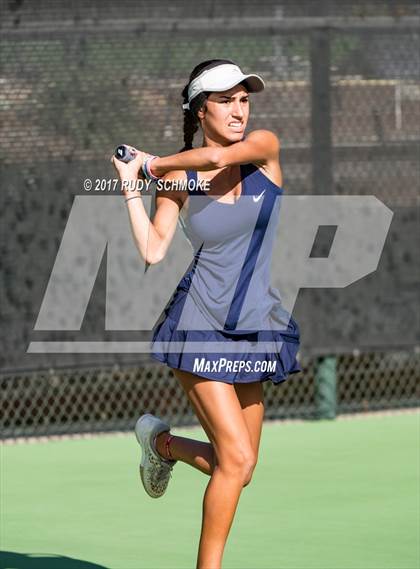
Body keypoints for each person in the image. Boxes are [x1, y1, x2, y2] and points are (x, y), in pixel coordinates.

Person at [111, 58, 302, 569]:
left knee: (243, 468)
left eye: (244, 98)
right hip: (197, 326)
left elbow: (220, 158)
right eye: (225, 100)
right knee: (235, 459)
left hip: (256, 326)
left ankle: (162, 444)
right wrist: (137, 184)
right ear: (199, 110)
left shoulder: (263, 149)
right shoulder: (179, 178)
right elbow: (153, 250)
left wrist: (156, 164)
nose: (239, 110)